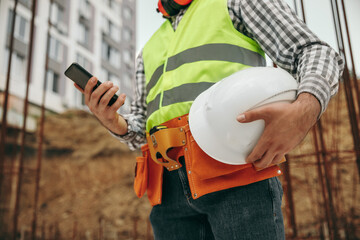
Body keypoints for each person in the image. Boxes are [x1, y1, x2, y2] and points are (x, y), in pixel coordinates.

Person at [74, 0, 344, 239]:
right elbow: (144, 127)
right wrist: (113, 122)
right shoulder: (148, 50)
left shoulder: (235, 3)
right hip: (167, 196)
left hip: (238, 180)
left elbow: (316, 51)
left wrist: (304, 110)